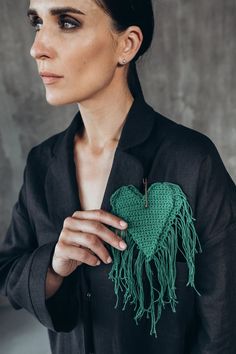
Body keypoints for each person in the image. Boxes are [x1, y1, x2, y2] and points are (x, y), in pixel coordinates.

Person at [0, 0, 236, 353]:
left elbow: (224, 324)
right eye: (37, 23)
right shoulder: (41, 164)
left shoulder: (192, 160)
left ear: (126, 44)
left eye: (66, 22)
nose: (37, 49)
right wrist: (53, 263)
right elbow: (8, 274)